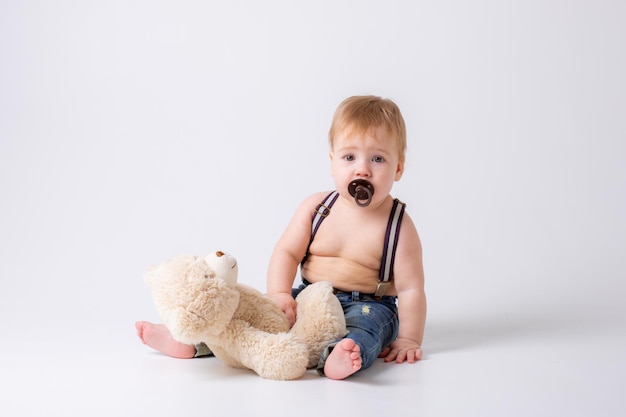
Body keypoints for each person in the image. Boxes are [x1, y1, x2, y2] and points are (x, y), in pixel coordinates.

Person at [136, 95, 427, 380]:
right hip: (308, 295)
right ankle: (193, 339)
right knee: (251, 314)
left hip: (368, 304)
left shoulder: (398, 226)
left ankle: (339, 355)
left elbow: (411, 288)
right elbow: (287, 252)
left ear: (398, 168)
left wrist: (409, 339)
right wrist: (280, 294)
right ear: (332, 161)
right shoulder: (317, 208)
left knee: (367, 328)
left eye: (377, 159)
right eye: (349, 157)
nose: (361, 169)